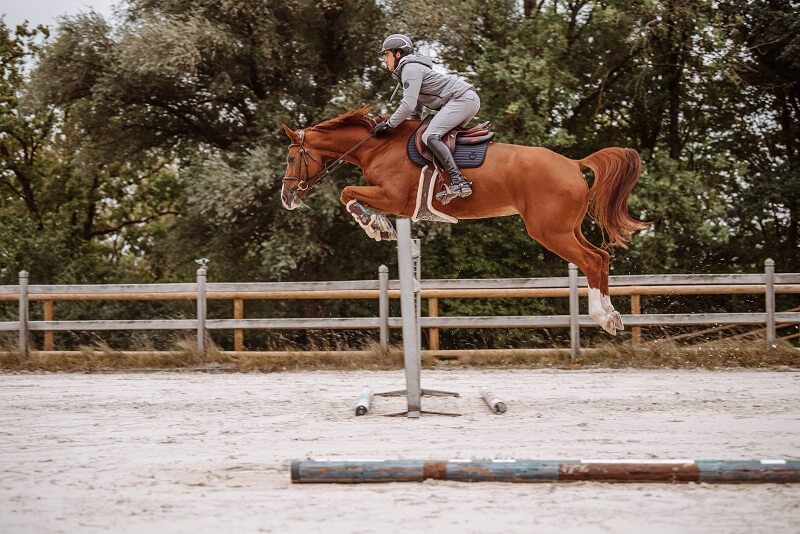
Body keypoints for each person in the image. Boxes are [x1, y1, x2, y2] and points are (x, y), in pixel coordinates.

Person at [373, 33, 480, 204]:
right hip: (465, 100)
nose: (385, 59)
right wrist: (412, 120)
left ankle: (459, 181)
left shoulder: (410, 69)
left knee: (430, 136)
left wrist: (389, 124)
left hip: (462, 100)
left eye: (386, 54)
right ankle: (453, 178)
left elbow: (407, 104)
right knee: (437, 138)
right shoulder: (408, 70)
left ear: (398, 53)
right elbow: (416, 107)